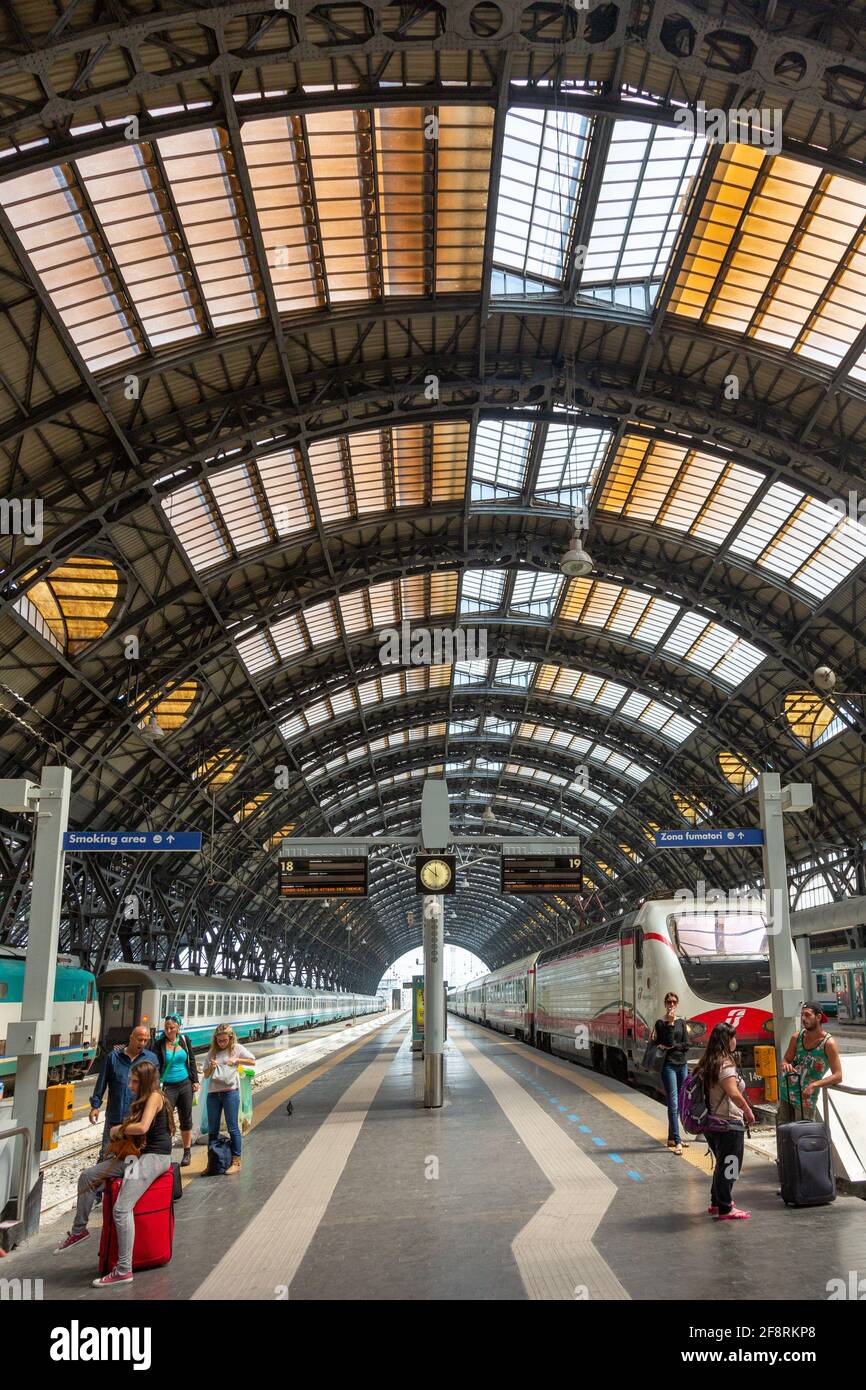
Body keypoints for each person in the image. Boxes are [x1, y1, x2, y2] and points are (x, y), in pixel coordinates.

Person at [55, 1060, 174, 1286]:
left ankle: (123, 1269)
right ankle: (79, 1230)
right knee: (88, 1176)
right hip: (139, 1155)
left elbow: (143, 1128)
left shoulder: (155, 1097)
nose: (130, 1085)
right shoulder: (143, 1098)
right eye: (130, 1080)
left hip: (155, 1157)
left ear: (146, 1082)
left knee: (121, 1209)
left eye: (135, 1082)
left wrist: (118, 1129)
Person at [694, 1022, 756, 1221]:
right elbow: (733, 1093)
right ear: (727, 1040)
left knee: (722, 1163)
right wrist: (747, 1111)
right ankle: (725, 1207)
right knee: (731, 1165)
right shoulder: (725, 1063)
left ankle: (716, 1202)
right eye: (733, 1037)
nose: (735, 1041)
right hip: (728, 1122)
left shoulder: (708, 1062)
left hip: (712, 1122)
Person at [88, 1024, 158, 1157]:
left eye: (145, 1040)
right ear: (131, 1038)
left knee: (132, 1156)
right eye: (139, 1039)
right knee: (107, 1153)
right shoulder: (113, 1057)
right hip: (115, 1115)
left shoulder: (151, 1059)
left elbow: (154, 1088)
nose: (142, 1043)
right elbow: (102, 1082)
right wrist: (95, 1106)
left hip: (136, 1118)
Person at [777, 1001, 843, 1123]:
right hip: (786, 1092)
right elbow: (786, 1059)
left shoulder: (828, 1044)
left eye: (807, 1015)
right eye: (802, 1015)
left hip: (806, 1099)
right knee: (784, 1135)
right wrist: (785, 1065)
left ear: (818, 1017)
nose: (803, 1018)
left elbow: (838, 1075)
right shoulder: (797, 1037)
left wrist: (814, 1085)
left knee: (803, 1136)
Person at [203, 1024, 254, 1175]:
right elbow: (206, 1075)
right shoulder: (212, 1052)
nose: (221, 1043)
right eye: (219, 1041)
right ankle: (212, 1162)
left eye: (224, 1040)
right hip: (213, 1094)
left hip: (230, 1092)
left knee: (233, 1128)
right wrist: (211, 1067)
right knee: (213, 1130)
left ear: (231, 1038)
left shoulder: (236, 1048)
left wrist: (236, 1060)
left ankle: (236, 1162)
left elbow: (252, 1060)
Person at [153, 1012, 199, 1166]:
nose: (168, 1031)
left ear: (178, 1027)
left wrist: (195, 1080)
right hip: (168, 1087)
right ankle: (165, 1153)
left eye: (171, 1028)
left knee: (186, 1119)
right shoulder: (158, 1044)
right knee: (166, 1121)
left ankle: (187, 1152)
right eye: (166, 1028)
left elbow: (191, 1060)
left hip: (185, 1084)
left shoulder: (185, 1040)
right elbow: (156, 1066)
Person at [651, 991, 690, 1156]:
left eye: (674, 1002)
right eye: (669, 1002)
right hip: (669, 1066)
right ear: (665, 1004)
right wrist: (671, 1024)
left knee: (681, 1103)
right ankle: (678, 1141)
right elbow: (668, 1041)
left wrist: (672, 1046)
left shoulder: (682, 1022)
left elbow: (686, 1045)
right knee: (673, 1103)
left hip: (683, 1065)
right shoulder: (661, 1023)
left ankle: (671, 1138)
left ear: (677, 1004)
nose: (671, 1005)